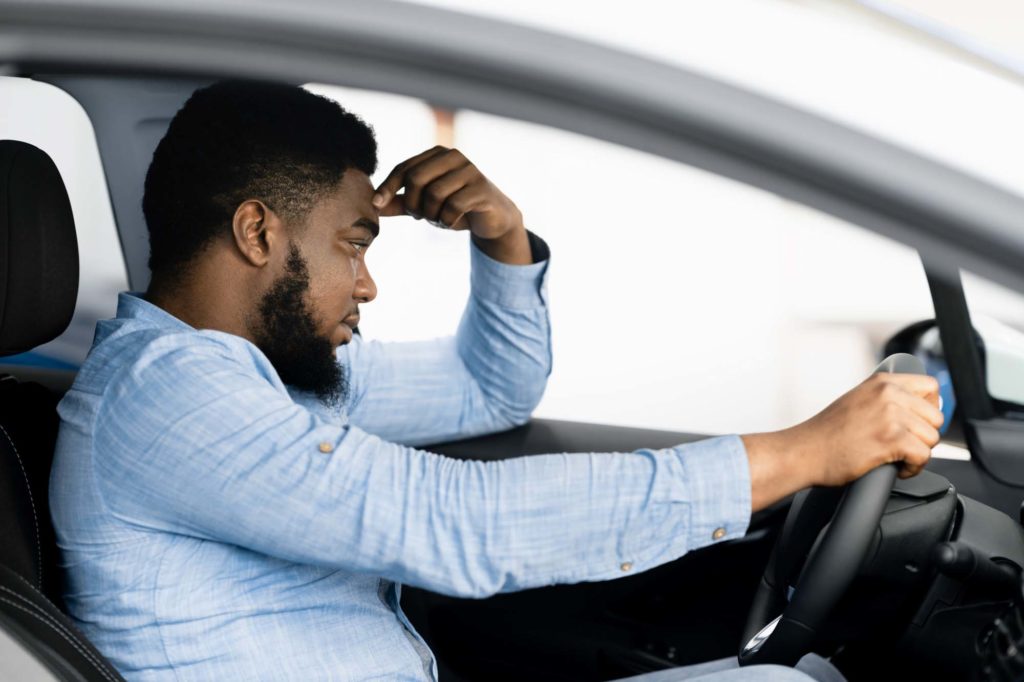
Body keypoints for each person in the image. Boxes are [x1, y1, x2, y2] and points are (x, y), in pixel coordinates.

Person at [50, 81, 943, 682]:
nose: (367, 283)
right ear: (257, 233)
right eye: (354, 244)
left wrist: (502, 239)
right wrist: (801, 452)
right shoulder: (166, 399)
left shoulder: (272, 381)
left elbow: (490, 392)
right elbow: (456, 524)